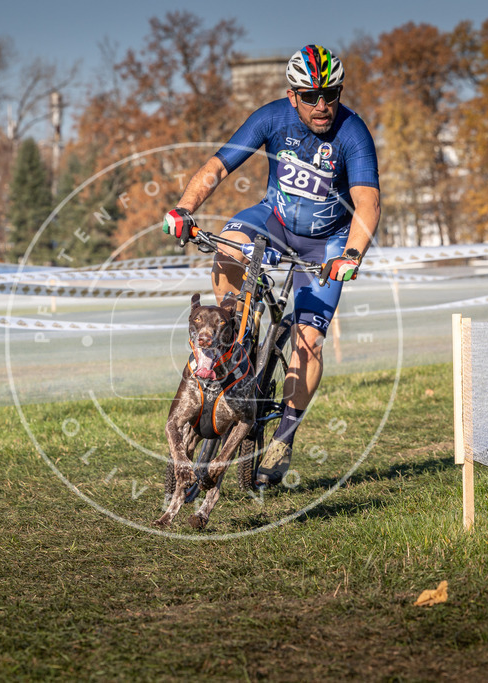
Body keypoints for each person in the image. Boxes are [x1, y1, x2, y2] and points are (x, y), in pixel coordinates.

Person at [163, 44, 381, 487]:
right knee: (228, 245)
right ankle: (232, 332)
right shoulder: (272, 117)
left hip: (326, 242)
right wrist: (184, 209)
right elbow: (218, 166)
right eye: (310, 95)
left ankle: (283, 436)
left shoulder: (352, 132)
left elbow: (367, 201)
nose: (322, 105)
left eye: (331, 94)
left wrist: (351, 254)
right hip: (274, 220)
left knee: (309, 343)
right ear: (292, 95)